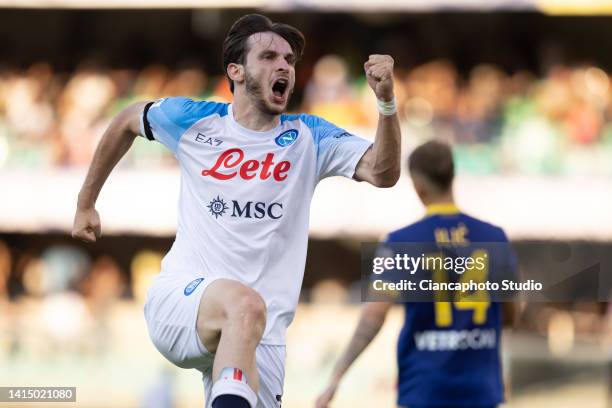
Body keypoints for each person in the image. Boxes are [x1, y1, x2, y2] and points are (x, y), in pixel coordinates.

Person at [72, 14, 400, 408]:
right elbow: (127, 118)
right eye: (268, 56)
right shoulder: (195, 121)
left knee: (247, 318)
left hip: (262, 334)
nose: (283, 66)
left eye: (289, 60)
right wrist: (86, 202)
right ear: (236, 71)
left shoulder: (311, 136)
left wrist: (386, 103)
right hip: (184, 299)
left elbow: (383, 173)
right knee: (244, 304)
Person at [316, 140, 517, 408]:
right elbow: (511, 314)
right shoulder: (494, 237)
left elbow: (374, 316)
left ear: (418, 187)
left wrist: (336, 376)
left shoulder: (399, 243)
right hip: (481, 389)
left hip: (424, 389)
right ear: (452, 177)